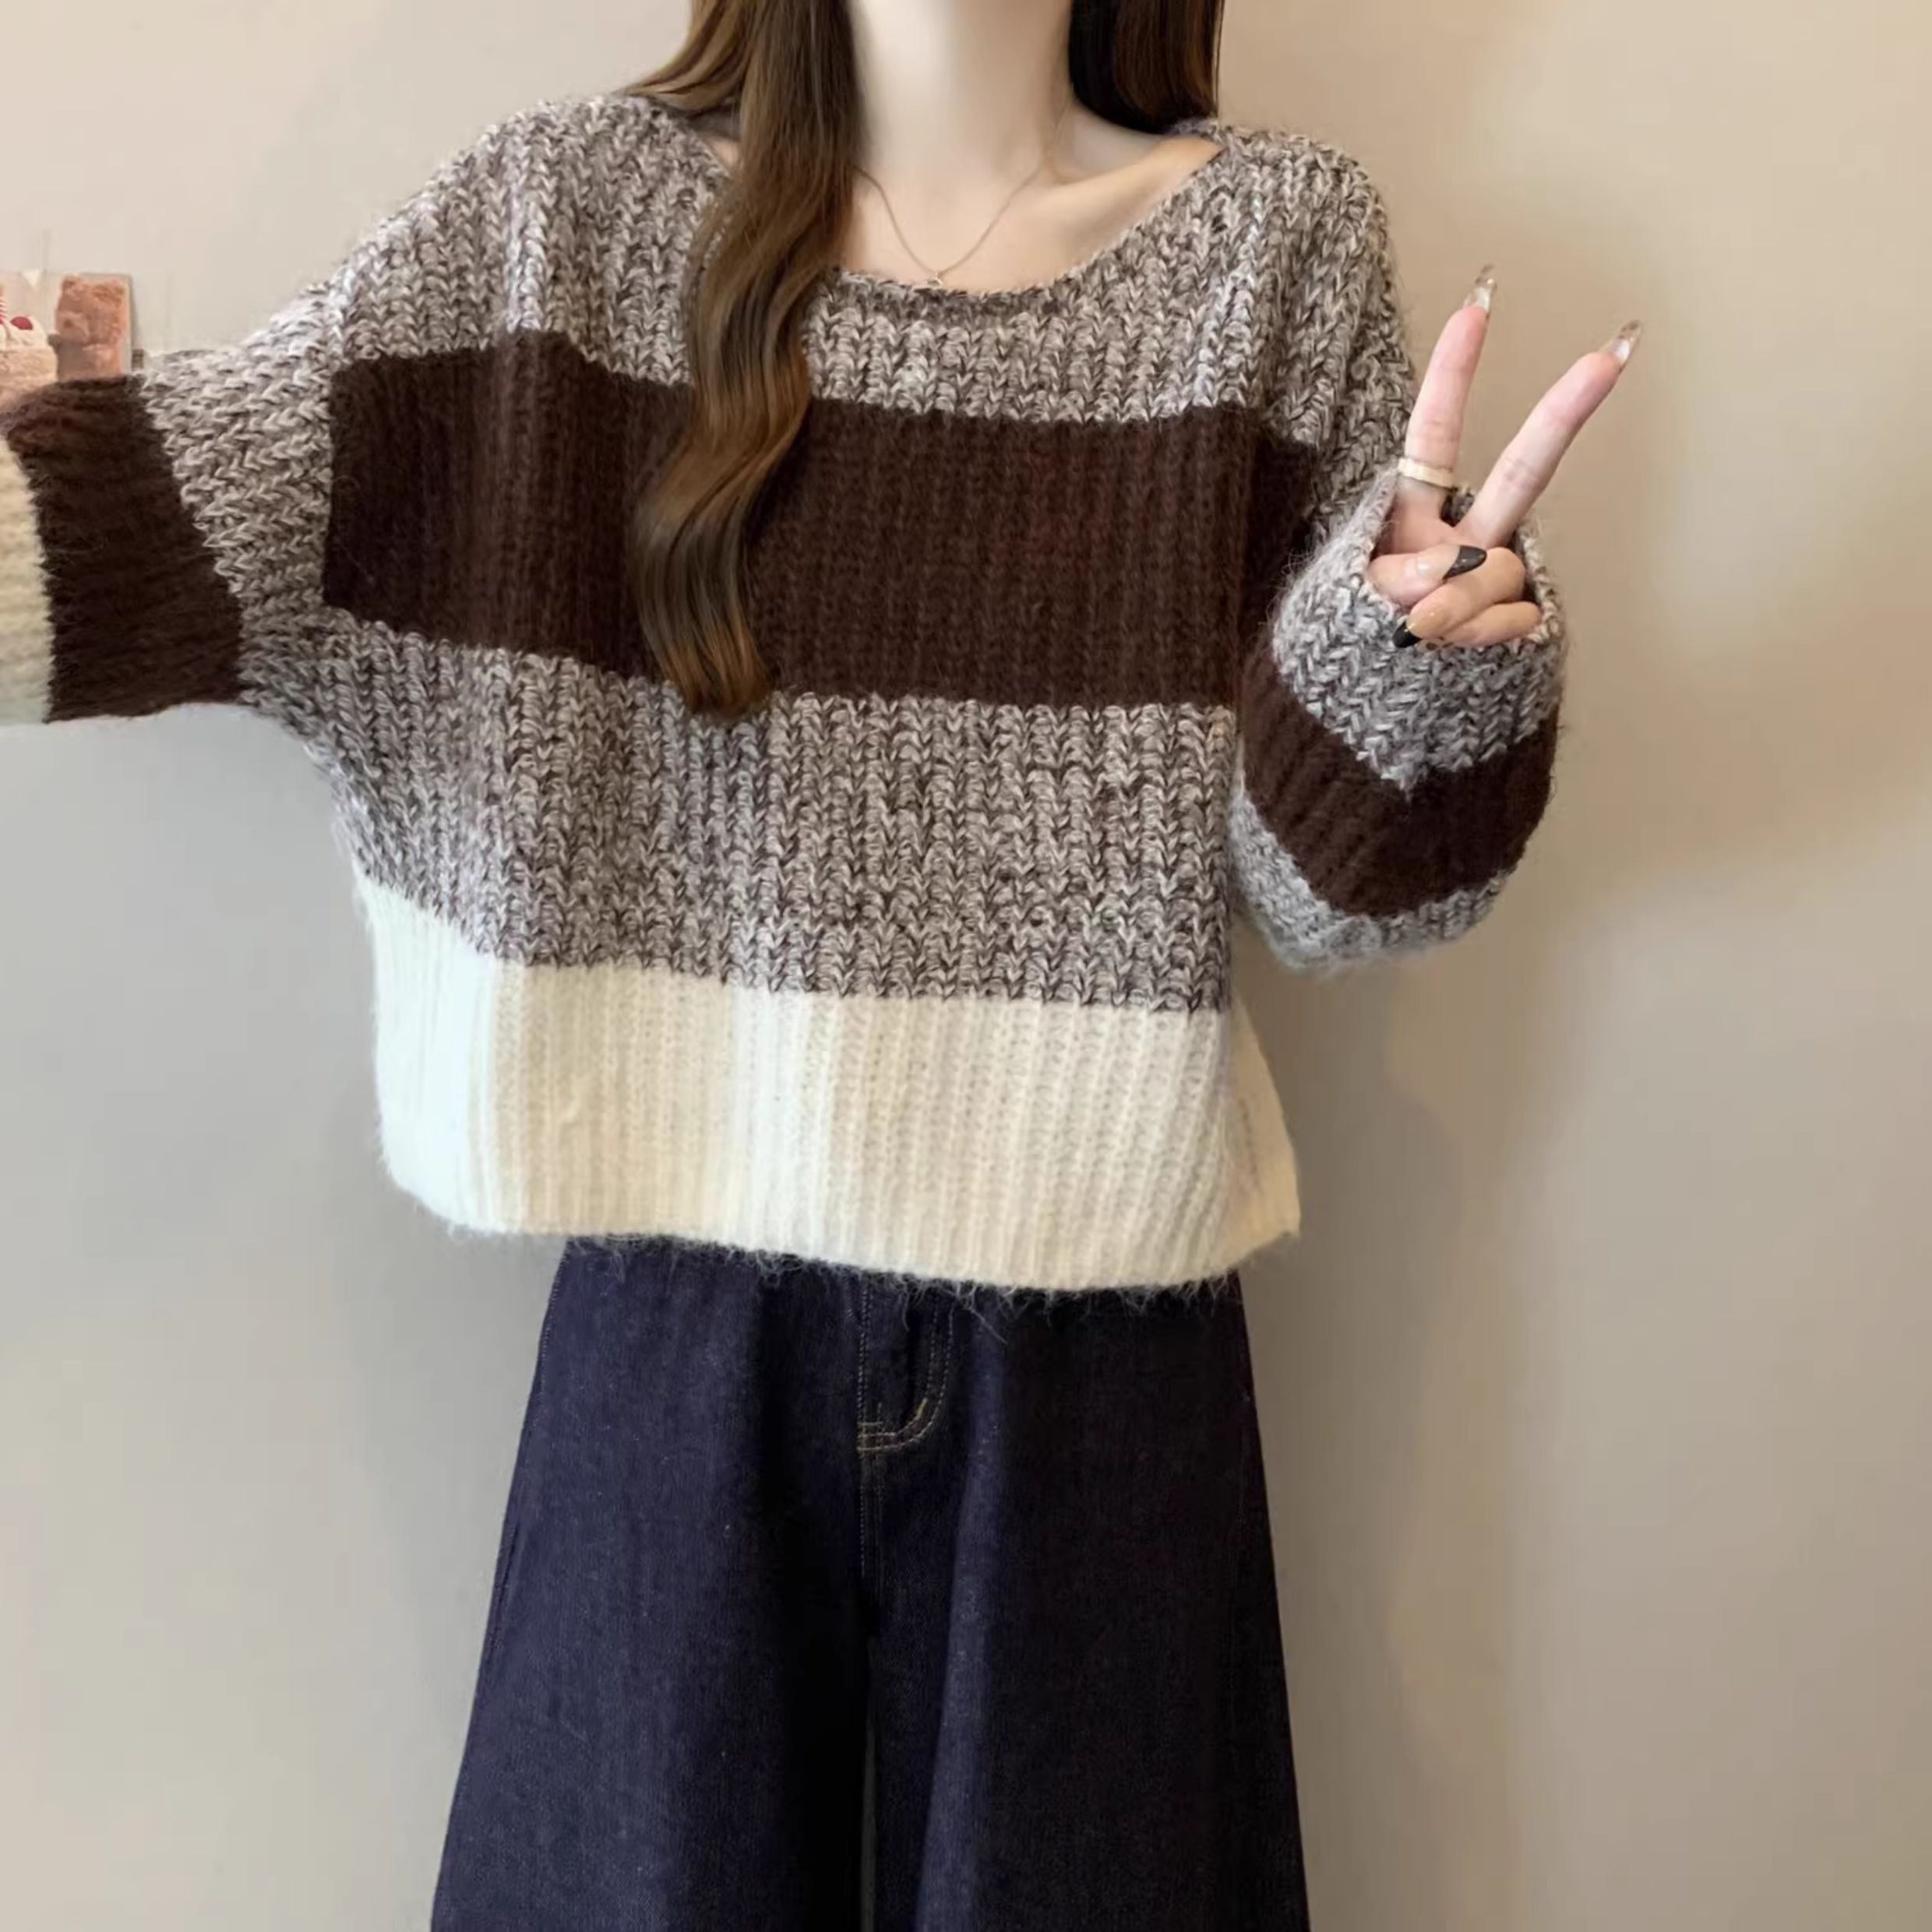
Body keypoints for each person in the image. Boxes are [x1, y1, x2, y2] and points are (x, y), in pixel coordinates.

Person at [0, 1, 1634, 1924]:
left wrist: (1417, 675)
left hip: (1102, 1354)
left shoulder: (1278, 247)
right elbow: (135, 539)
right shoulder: (561, 223)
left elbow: (1338, 895)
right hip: (671, 1322)